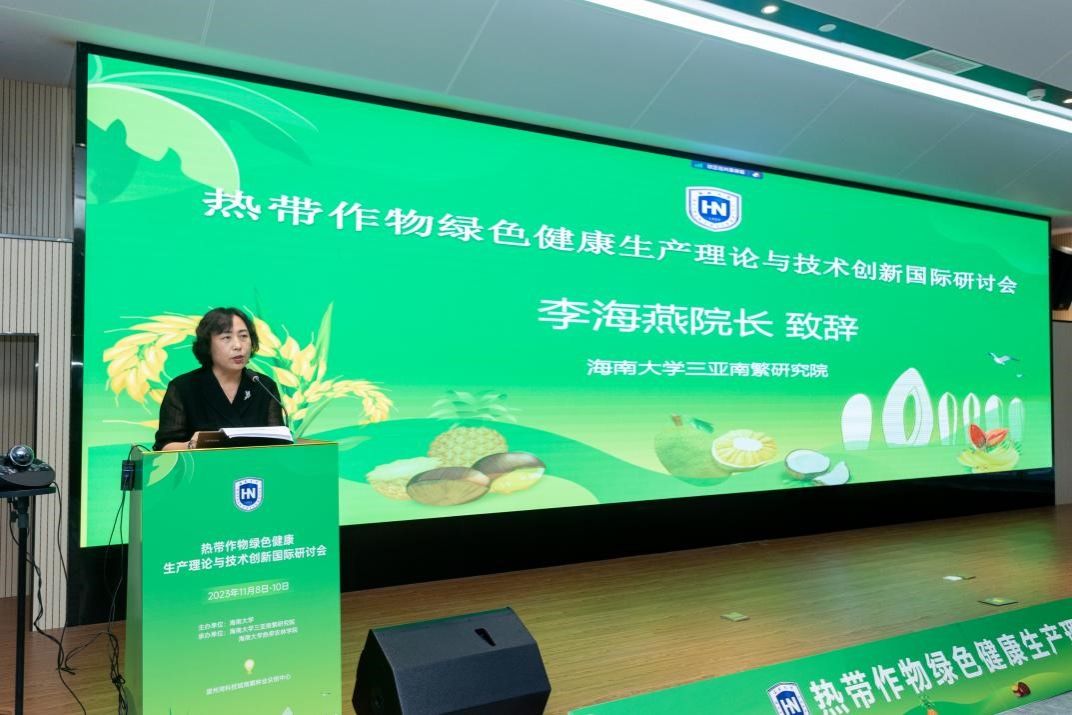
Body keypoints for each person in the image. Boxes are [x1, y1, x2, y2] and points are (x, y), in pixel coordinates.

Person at [153, 307, 284, 451]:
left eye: (243, 336)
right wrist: (192, 445)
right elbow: (163, 447)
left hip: (255, 465)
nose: (238, 346)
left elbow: (280, 443)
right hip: (203, 464)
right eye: (226, 338)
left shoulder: (264, 386)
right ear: (207, 345)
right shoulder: (183, 387)